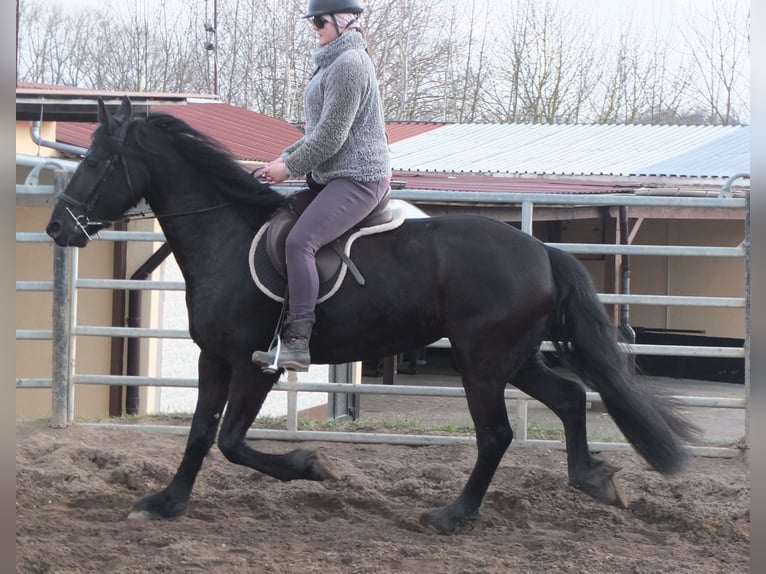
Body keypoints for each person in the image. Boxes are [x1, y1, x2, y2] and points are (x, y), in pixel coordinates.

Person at [252, 0, 391, 372]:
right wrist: (280, 160)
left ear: (341, 22)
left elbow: (331, 136)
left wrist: (289, 167)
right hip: (334, 175)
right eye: (312, 21)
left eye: (318, 20)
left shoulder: (350, 64)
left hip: (360, 177)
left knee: (301, 242)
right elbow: (317, 133)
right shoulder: (330, 62)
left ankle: (298, 341)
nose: (313, 26)